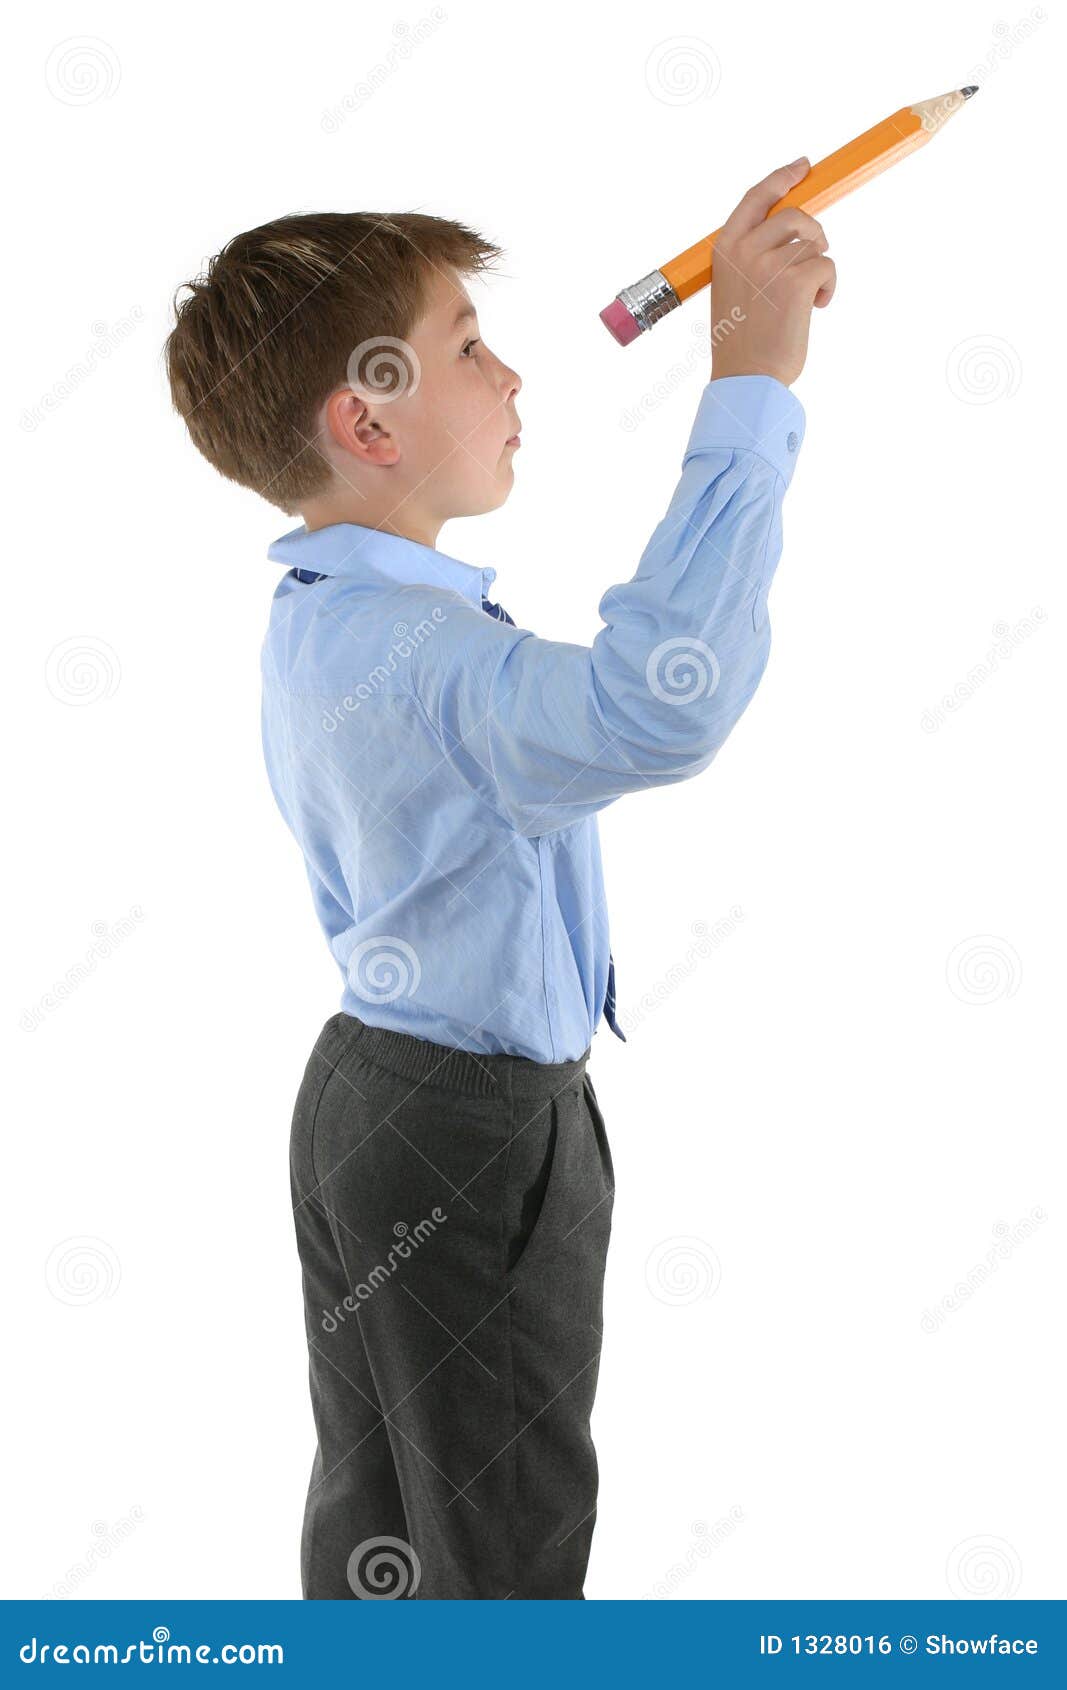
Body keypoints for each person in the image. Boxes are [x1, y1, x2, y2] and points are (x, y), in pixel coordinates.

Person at [164, 158, 834, 1599]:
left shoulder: (327, 616)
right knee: (505, 1545)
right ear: (368, 418)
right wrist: (752, 385)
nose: (511, 370)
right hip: (472, 1133)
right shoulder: (427, 659)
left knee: (385, 1523)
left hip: (368, 1092)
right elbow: (661, 701)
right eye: (468, 343)